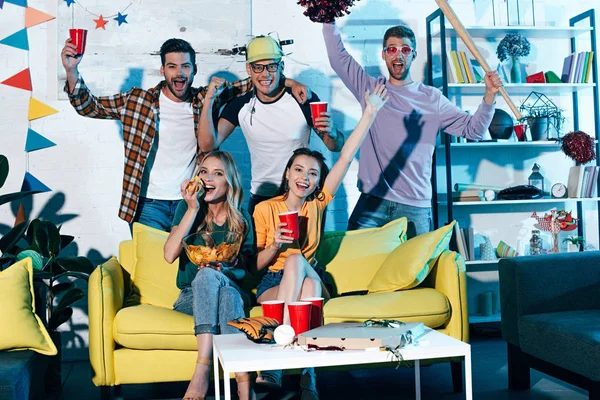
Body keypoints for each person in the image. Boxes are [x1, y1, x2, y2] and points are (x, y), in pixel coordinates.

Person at [61, 37, 307, 232]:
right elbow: (88, 106)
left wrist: (291, 83)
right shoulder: (137, 101)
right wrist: (72, 71)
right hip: (147, 204)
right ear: (162, 70)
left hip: (190, 202)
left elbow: (256, 79)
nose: (179, 73)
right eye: (172, 66)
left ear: (194, 70)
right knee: (152, 274)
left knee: (185, 273)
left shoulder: (204, 100)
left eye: (185, 66)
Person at [252, 85, 388, 399]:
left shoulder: (317, 204)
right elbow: (255, 265)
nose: (305, 177)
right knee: (308, 290)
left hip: (310, 271)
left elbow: (346, 157)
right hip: (273, 284)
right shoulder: (264, 209)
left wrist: (370, 112)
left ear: (316, 181)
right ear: (287, 174)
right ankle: (307, 378)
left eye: (312, 173)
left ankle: (274, 362)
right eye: (298, 170)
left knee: (300, 263)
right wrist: (273, 244)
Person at [322, 22, 502, 237]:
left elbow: (474, 131)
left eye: (405, 49)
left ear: (413, 55)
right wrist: (328, 18)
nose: (398, 55)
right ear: (384, 54)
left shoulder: (432, 98)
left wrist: (490, 95)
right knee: (353, 265)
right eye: (392, 49)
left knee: (417, 271)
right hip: (373, 202)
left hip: (414, 207)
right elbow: (338, 59)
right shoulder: (370, 89)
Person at [198, 35, 345, 216]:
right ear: (248, 70)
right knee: (263, 246)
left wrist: (332, 132)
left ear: (281, 67)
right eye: (258, 67)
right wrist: (208, 101)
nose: (265, 74)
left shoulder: (302, 98)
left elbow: (335, 145)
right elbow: (207, 145)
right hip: (262, 198)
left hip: (301, 195)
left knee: (306, 246)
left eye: (271, 66)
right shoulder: (240, 104)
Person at [164, 150, 256, 400]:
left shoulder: (241, 219)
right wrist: (192, 208)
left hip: (231, 285)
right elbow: (169, 254)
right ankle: (245, 388)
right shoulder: (188, 208)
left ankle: (201, 372)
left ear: (230, 181)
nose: (208, 178)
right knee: (213, 284)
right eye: (203, 172)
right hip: (191, 297)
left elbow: (246, 273)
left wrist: (225, 269)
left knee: (222, 285)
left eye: (217, 173)